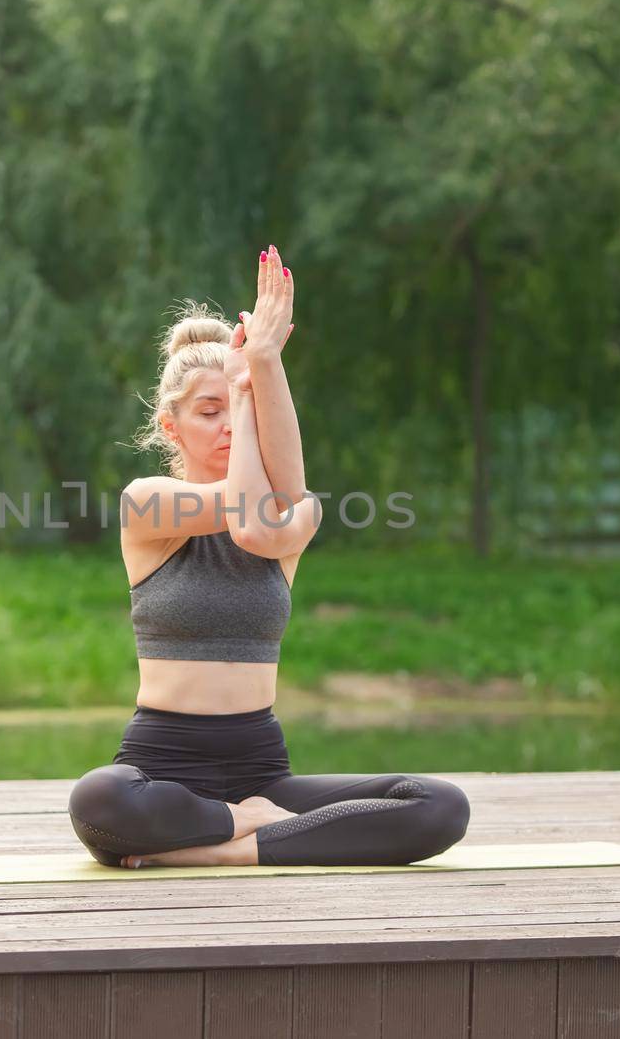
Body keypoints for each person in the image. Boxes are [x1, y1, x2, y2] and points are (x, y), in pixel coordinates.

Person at [68, 244, 470, 868]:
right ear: (171, 427)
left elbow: (261, 523)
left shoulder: (300, 514)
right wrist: (247, 383)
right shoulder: (146, 505)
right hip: (163, 765)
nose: (229, 426)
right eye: (210, 412)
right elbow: (246, 515)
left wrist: (262, 364)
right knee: (100, 802)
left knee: (439, 805)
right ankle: (240, 827)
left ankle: (220, 849)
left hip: (262, 767)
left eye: (240, 412)